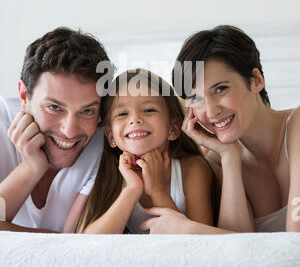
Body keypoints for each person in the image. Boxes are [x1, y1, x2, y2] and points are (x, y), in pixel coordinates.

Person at [140, 25, 300, 234]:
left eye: (220, 89)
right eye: (196, 99)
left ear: (256, 80)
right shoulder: (217, 161)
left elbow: (294, 245)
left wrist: (189, 230)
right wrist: (229, 158)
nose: (211, 111)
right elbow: (233, 256)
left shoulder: (297, 126)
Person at [73, 69, 217, 234]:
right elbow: (91, 243)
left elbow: (200, 243)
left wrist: (157, 190)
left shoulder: (193, 168)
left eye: (149, 110)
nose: (135, 119)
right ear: (111, 136)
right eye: (122, 113)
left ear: (173, 128)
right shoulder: (115, 174)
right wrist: (132, 188)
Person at [0, 27, 113, 233]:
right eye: (54, 107)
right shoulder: (1, 125)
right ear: (24, 96)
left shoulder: (106, 142)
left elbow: (77, 245)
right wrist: (31, 168)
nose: (69, 131)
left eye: (87, 111)